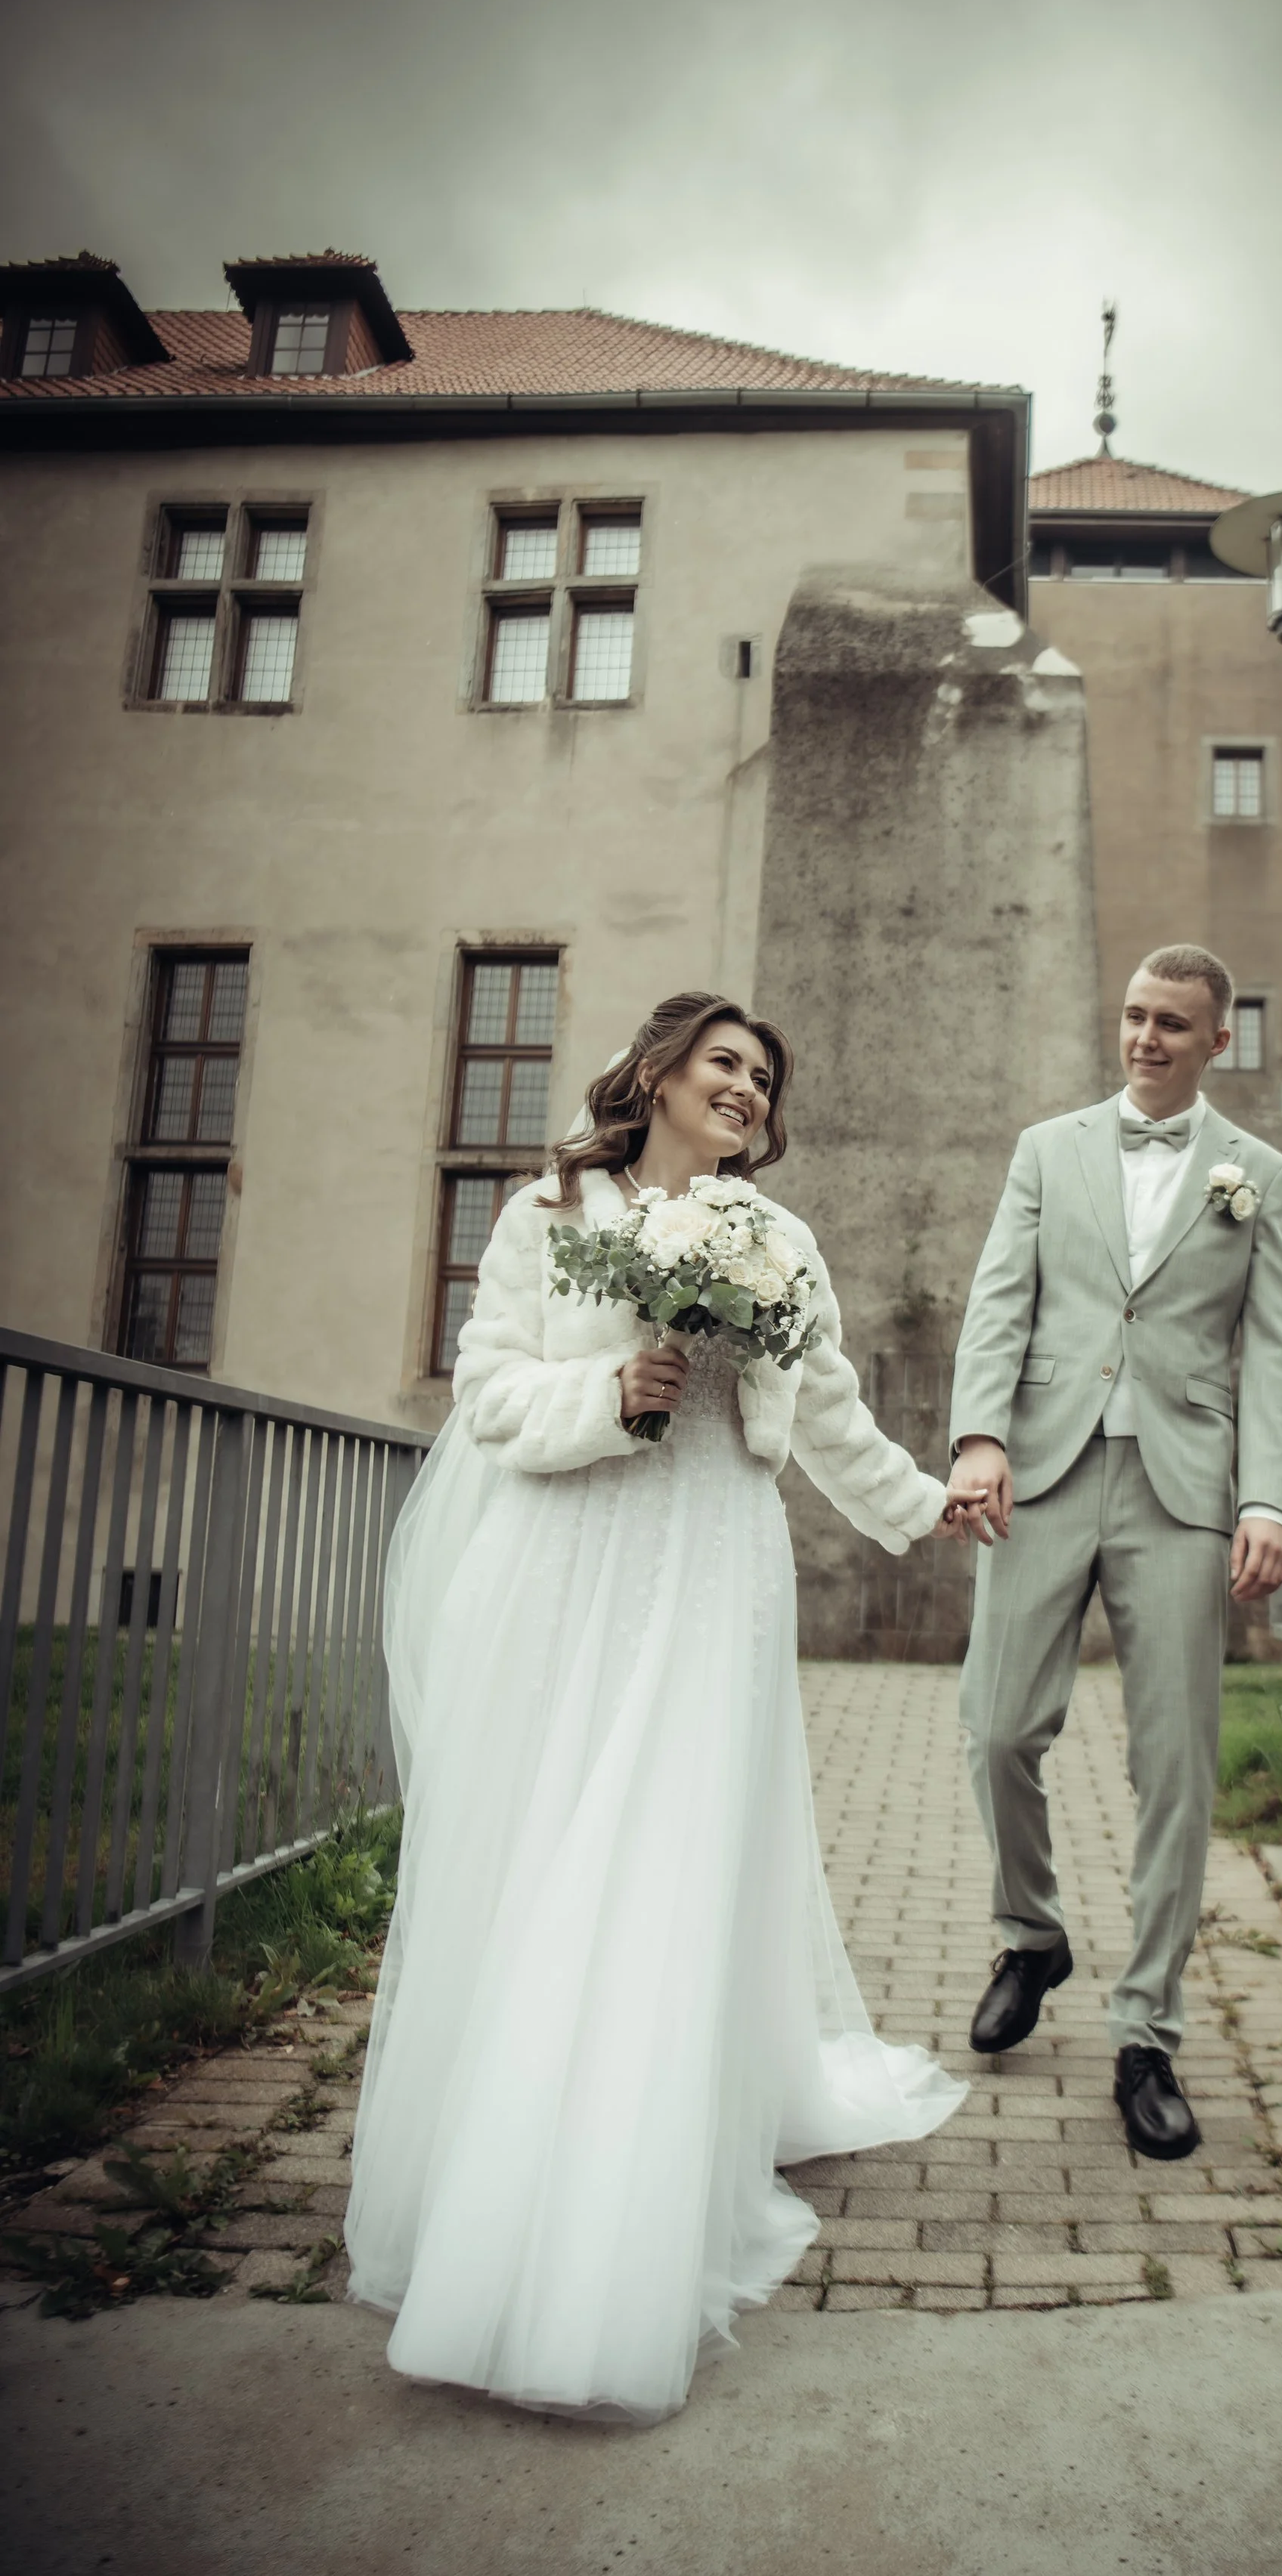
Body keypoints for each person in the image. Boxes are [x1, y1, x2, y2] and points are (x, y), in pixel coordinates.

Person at [345, 992, 964, 2422]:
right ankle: (514, 2169)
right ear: (662, 1072)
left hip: (712, 1576)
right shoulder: (548, 1210)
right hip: (569, 1565)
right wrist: (611, 1390)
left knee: (672, 1857)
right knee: (556, 1852)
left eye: (765, 1075)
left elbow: (828, 1413)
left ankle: (639, 2165)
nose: (746, 1087)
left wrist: (927, 1507)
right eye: (725, 1062)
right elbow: (490, 1390)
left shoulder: (781, 1240)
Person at [943, 946, 1282, 2161]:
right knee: (996, 1725)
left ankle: (1147, 2029)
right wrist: (980, 1434)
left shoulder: (1262, 1177)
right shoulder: (1049, 1148)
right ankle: (1032, 1934)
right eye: (1137, 1016)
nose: (1146, 1037)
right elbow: (1003, 1297)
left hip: (1185, 1491)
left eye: (1174, 1024)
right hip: (1040, 1468)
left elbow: (1277, 1348)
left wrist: (1272, 1500)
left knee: (1177, 1768)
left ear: (1217, 1039)